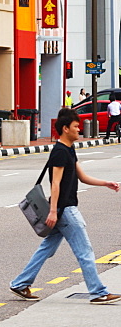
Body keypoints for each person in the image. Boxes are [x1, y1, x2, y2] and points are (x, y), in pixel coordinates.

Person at [9, 109, 120, 305]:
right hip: (66, 210)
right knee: (85, 252)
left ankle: (20, 283)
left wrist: (106, 183)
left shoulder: (69, 149)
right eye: (76, 127)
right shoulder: (60, 151)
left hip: (62, 210)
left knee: (46, 249)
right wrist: (53, 211)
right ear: (65, 128)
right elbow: (55, 183)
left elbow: (82, 176)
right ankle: (98, 292)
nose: (79, 129)